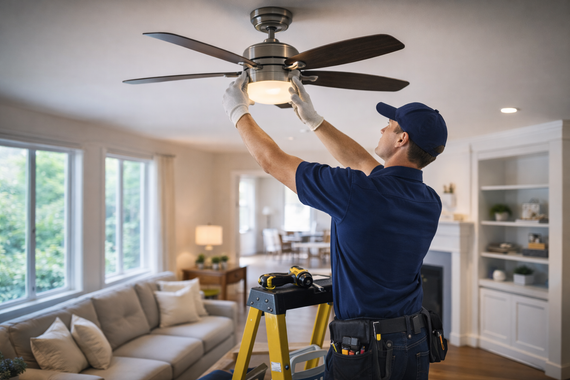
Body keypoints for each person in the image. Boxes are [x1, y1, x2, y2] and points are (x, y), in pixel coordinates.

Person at [223, 71, 448, 380]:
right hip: (415, 341)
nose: (383, 127)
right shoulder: (429, 200)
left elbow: (271, 160)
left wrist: (238, 111)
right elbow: (360, 162)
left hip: (367, 349)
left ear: (401, 139)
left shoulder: (357, 191)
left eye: (390, 125)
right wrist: (314, 120)